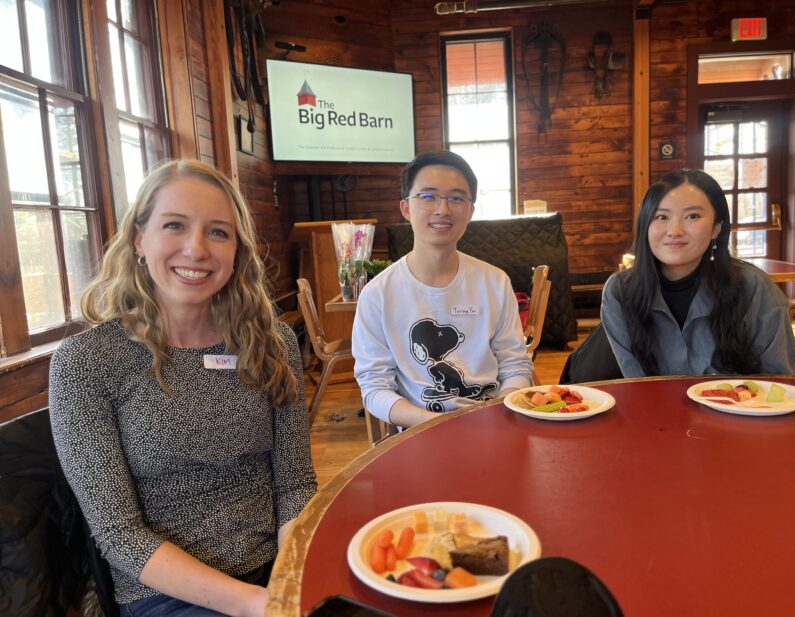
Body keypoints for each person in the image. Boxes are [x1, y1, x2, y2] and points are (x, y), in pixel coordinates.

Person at [49, 160, 317, 617]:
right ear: (139, 239)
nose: (196, 249)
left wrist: (292, 577)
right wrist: (256, 604)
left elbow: (295, 485)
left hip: (275, 570)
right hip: (166, 596)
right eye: (174, 225)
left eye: (218, 232)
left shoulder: (271, 342)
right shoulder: (86, 362)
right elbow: (118, 534)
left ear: (237, 252)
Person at [352, 150, 533, 429]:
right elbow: (375, 388)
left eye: (457, 198)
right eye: (428, 196)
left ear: (470, 210)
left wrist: (502, 408)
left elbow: (516, 366)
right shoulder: (378, 295)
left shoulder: (494, 282)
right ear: (405, 208)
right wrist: (432, 423)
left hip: (493, 424)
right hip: (421, 433)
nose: (443, 209)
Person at [600, 168, 794, 378]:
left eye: (692, 216)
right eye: (662, 216)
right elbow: (636, 384)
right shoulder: (620, 291)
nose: (674, 230)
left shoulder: (754, 288)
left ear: (716, 228)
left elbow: (778, 382)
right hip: (654, 409)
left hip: (741, 409)